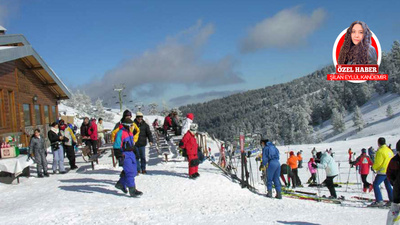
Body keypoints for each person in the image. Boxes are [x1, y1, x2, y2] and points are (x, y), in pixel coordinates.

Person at [114, 117, 143, 197]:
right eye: (130, 125)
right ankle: (132, 190)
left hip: (131, 153)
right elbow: (116, 145)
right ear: (126, 125)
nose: (131, 126)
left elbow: (131, 144)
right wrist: (119, 155)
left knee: (134, 171)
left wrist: (135, 152)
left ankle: (121, 183)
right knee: (130, 172)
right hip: (124, 154)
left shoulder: (129, 132)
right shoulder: (120, 133)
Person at [371, 137, 394, 207]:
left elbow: (378, 162)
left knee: (375, 184)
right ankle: (392, 200)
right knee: (388, 185)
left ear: (378, 143)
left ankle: (379, 200)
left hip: (383, 171)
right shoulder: (389, 150)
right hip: (390, 170)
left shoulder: (380, 151)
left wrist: (373, 167)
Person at [387, 140, 400, 223]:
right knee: (394, 213)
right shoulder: (394, 161)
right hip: (398, 190)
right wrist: (394, 183)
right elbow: (389, 174)